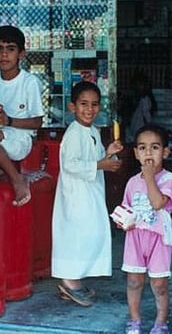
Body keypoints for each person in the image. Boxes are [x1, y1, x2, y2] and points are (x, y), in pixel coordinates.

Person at [51, 80, 123, 307]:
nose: (89, 109)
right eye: (83, 104)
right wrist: (102, 165)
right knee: (75, 236)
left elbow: (95, 157)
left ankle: (74, 280)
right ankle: (69, 281)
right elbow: (71, 164)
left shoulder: (91, 131)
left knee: (86, 235)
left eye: (94, 104)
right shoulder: (73, 133)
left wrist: (108, 153)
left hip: (89, 194)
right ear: (72, 107)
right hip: (76, 196)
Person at [117, 124, 172, 334]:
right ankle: (134, 320)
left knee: (159, 284)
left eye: (154, 147)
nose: (148, 153)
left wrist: (150, 176)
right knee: (134, 281)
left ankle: (161, 323)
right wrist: (122, 220)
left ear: (165, 152)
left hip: (159, 238)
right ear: (136, 153)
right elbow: (126, 207)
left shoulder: (169, 179)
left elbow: (158, 203)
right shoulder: (132, 182)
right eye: (142, 148)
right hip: (135, 237)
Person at [0, 25, 44, 206]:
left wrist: (9, 120)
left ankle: (17, 179)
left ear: (21, 54)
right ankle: (0, 167)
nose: (4, 55)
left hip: (20, 139)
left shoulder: (29, 82)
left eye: (10, 49)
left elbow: (37, 122)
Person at [126, 74, 157, 143]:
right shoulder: (139, 98)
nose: (138, 87)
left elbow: (146, 114)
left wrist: (148, 127)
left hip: (141, 126)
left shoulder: (145, 98)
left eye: (139, 85)